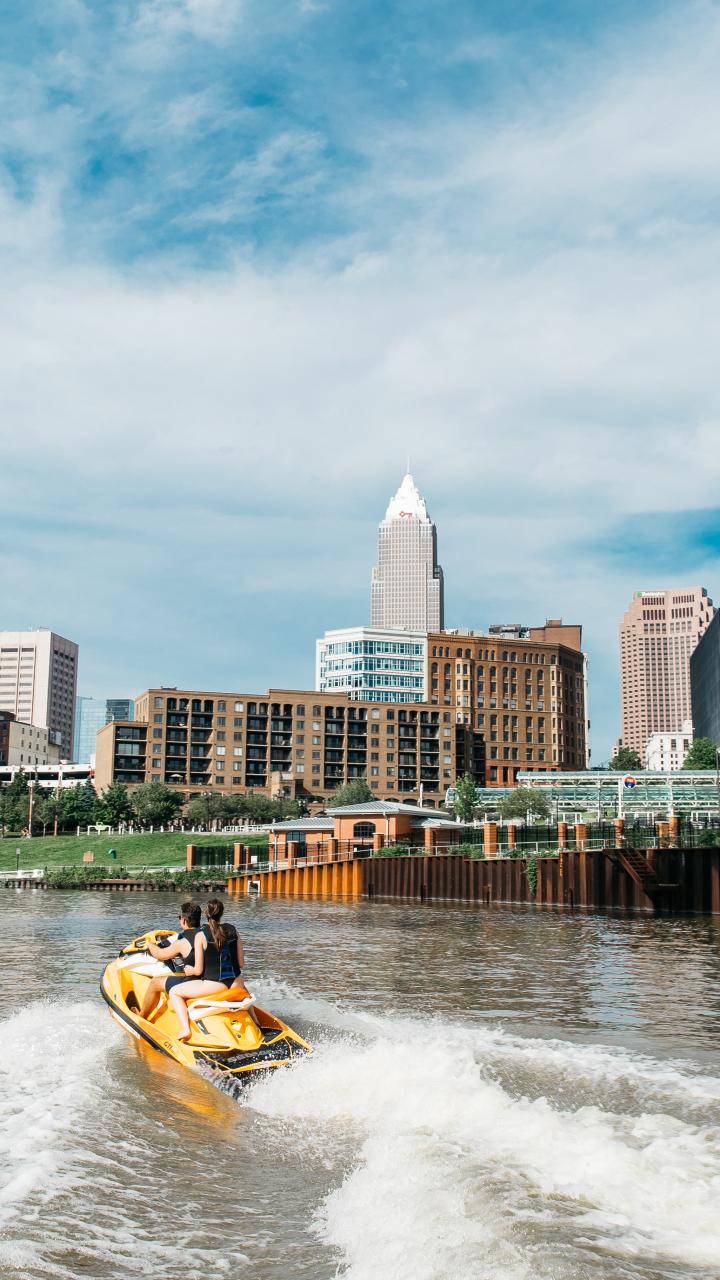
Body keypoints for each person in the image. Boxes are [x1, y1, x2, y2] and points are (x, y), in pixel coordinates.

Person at [167, 899, 245, 1042]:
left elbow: (198, 970)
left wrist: (189, 970)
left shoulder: (201, 935)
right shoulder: (234, 930)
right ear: (221, 913)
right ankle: (256, 1021)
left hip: (216, 985)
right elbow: (241, 964)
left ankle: (185, 1029)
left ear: (206, 914)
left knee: (174, 992)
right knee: (243, 987)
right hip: (237, 983)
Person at [137, 901, 202, 1020]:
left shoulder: (182, 942)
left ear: (183, 920)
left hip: (193, 981)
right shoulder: (205, 934)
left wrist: (150, 944)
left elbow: (161, 955)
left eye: (179, 917)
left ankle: (141, 1018)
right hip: (209, 978)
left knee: (155, 983)